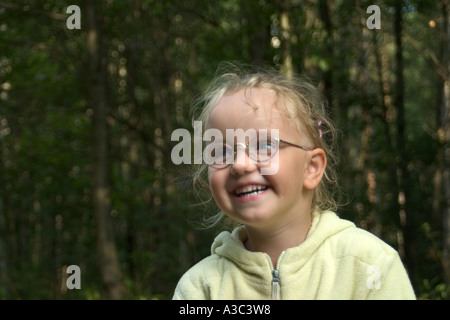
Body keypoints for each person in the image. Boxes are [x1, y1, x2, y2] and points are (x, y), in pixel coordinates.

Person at [172, 63, 416, 300]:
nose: (240, 164)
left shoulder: (369, 265)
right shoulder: (200, 287)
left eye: (265, 145)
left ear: (311, 168)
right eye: (221, 152)